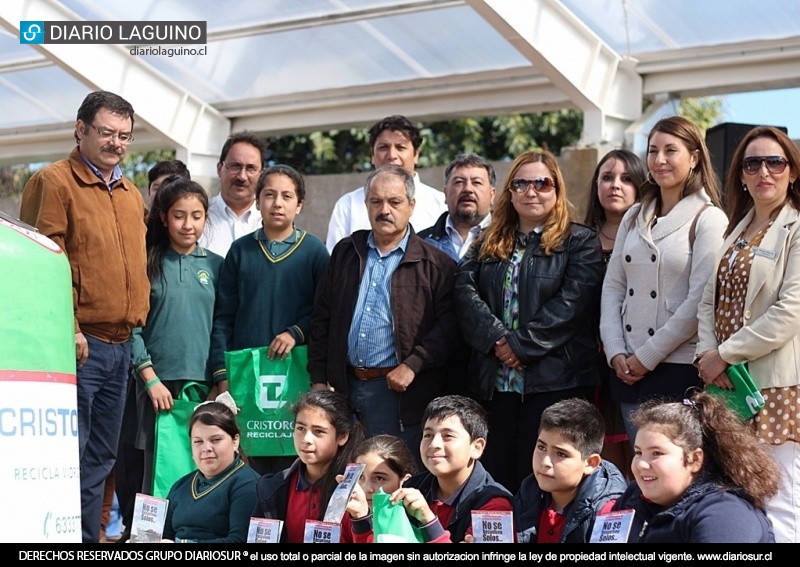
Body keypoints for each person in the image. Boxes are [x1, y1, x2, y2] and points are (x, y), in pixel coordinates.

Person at [19, 90, 149, 543]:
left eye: (124, 136)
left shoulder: (131, 194)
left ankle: (86, 543)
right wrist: (69, 328)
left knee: (100, 460)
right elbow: (43, 261)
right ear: (81, 129)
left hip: (120, 347)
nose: (116, 143)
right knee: (65, 457)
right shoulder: (54, 182)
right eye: (106, 132)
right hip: (78, 345)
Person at [454, 149, 603, 494]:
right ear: (509, 192)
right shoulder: (487, 238)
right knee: (496, 481)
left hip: (555, 383)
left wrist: (519, 346)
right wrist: (497, 340)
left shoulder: (580, 241)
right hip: (495, 385)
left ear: (557, 190)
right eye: (521, 184)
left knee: (548, 482)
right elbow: (463, 290)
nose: (531, 191)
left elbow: (571, 305)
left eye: (542, 183)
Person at [695, 126, 800, 543]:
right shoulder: (736, 229)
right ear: (740, 174)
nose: (764, 172)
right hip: (727, 387)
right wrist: (707, 354)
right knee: (738, 494)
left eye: (775, 161)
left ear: (792, 171)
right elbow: (709, 301)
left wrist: (726, 354)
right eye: (752, 163)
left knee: (782, 500)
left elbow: (790, 310)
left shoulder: (796, 228)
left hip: (773, 387)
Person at [308, 164, 459, 453]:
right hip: (344, 389)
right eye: (376, 201)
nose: (384, 210)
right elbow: (322, 318)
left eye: (394, 202)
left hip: (398, 393)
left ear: (411, 206)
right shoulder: (346, 252)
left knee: (393, 475)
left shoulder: (435, 265)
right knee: (348, 476)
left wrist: (413, 364)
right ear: (366, 205)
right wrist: (318, 378)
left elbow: (449, 329)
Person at [600, 116, 728, 447]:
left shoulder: (709, 218)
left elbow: (701, 299)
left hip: (677, 367)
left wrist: (647, 356)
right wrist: (615, 349)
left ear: (695, 157)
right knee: (643, 469)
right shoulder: (634, 215)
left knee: (676, 472)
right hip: (627, 367)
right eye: (653, 150)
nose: (659, 160)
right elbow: (613, 286)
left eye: (671, 150)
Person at [118, 179, 222, 532]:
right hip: (155, 389)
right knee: (152, 475)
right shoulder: (146, 263)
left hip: (202, 389)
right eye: (179, 216)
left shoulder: (218, 266)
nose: (188, 225)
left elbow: (222, 327)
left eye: (196, 216)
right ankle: (147, 540)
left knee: (202, 468)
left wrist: (218, 383)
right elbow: (132, 327)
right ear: (164, 218)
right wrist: (150, 378)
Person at [210, 164, 328, 474]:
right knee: (249, 462)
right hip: (246, 379)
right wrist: (223, 376)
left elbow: (325, 315)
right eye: (269, 195)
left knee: (293, 459)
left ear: (299, 204)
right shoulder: (240, 251)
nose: (277, 203)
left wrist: (295, 333)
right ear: (257, 200)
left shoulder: (315, 253)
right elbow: (223, 317)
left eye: (287, 196)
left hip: (296, 377)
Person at [613, 391, 779, 543]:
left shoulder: (725, 513)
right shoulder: (632, 497)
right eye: (638, 452)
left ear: (694, 460)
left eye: (657, 453)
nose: (641, 464)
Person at [371, 395, 514, 543]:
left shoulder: (495, 505)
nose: (434, 444)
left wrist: (428, 521)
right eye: (428, 435)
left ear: (476, 447)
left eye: (448, 436)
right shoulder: (413, 488)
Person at [583, 148, 646, 480]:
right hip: (586, 365)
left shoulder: (651, 239)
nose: (615, 186)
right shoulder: (577, 239)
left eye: (626, 179)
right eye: (607, 177)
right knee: (599, 464)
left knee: (639, 455)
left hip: (635, 360)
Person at [252, 390, 366, 543]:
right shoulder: (273, 487)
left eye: (318, 431)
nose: (306, 439)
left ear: (342, 436)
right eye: (300, 429)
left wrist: (362, 517)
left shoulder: (359, 489)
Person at [325, 114, 446, 252]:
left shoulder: (440, 204)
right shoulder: (348, 204)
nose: (392, 155)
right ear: (372, 155)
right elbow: (335, 260)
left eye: (400, 147)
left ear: (416, 154)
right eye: (383, 147)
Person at [514, 397, 627, 543]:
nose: (545, 462)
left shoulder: (609, 512)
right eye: (541, 447)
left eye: (561, 454)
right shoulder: (528, 494)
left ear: (590, 463)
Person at [161, 394, 259, 543]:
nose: (206, 448)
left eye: (216, 440)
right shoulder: (180, 486)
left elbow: (239, 541)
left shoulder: (248, 484)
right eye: (198, 441)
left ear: (235, 441)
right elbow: (163, 535)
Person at [418, 153, 496, 262]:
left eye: (476, 182)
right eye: (459, 182)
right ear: (445, 193)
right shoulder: (420, 243)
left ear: (492, 195)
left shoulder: (509, 240)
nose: (468, 189)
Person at [199, 131, 266, 257]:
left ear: (261, 175)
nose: (242, 176)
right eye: (235, 166)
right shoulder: (198, 218)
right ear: (219, 169)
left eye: (251, 168)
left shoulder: (269, 221)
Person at [339, 434, 419, 541]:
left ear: (404, 481)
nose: (366, 488)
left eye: (379, 478)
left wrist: (362, 523)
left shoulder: (420, 518)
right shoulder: (348, 516)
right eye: (360, 477)